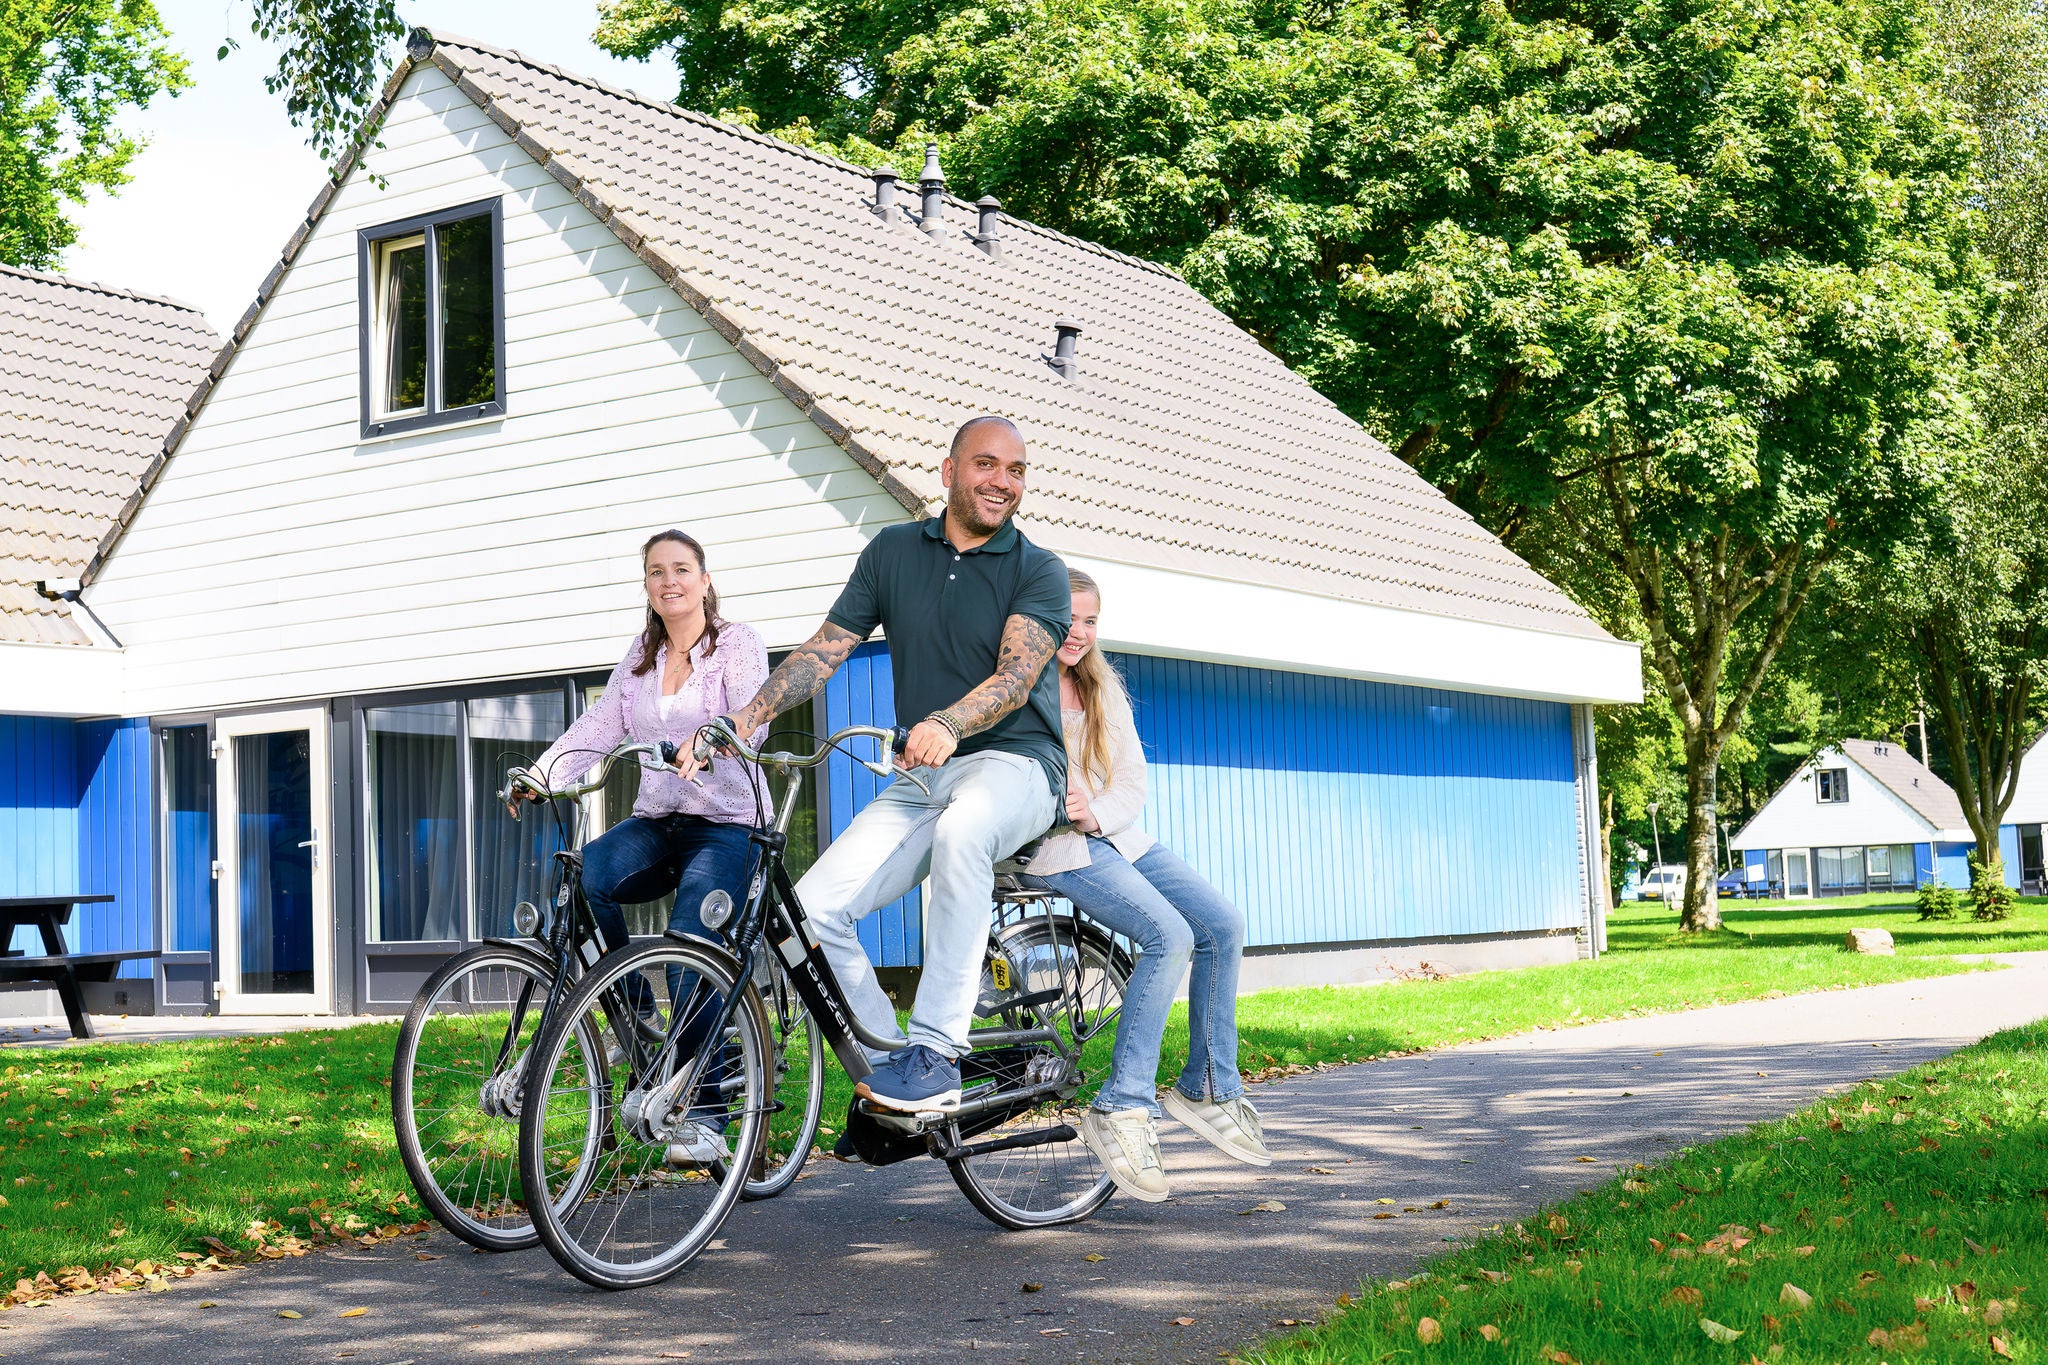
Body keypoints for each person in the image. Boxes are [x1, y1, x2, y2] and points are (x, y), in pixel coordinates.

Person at [696, 414, 1069, 1112]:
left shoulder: (1037, 569)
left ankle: (937, 1050)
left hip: (1015, 765)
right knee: (808, 912)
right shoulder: (893, 552)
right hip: (923, 775)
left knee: (966, 830)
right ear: (949, 469)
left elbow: (1016, 677)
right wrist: (746, 717)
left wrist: (948, 722)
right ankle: (890, 1077)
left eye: (1017, 471)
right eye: (988, 464)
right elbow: (826, 648)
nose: (1004, 482)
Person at [514, 529, 770, 1163]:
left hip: (727, 822)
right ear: (648, 586)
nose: (669, 581)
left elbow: (752, 717)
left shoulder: (737, 644)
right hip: (658, 820)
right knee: (586, 878)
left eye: (681, 569)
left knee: (691, 951)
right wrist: (543, 776)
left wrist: (713, 740)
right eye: (656, 572)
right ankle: (643, 1029)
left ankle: (707, 1111)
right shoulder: (640, 658)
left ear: (705, 580)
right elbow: (596, 729)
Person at [1019, 568, 1270, 1201]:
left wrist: (1097, 812)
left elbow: (1131, 778)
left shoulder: (1101, 687)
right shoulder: (1020, 685)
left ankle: (1209, 1085)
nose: (1078, 633)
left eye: (1090, 621)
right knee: (1168, 934)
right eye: (1066, 619)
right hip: (1055, 847)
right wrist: (1068, 810)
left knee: (1222, 924)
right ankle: (1122, 1104)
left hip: (1112, 835)